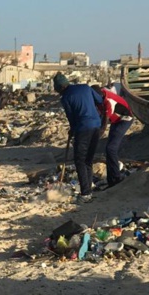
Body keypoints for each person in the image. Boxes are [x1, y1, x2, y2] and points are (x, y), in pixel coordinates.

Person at [53, 73, 103, 203]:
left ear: (59, 88)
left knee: (80, 160)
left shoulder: (65, 98)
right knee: (88, 160)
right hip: (96, 126)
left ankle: (85, 193)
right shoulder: (86, 88)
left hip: (83, 128)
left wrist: (73, 131)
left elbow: (72, 118)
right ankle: (89, 190)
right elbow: (100, 100)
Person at [92, 85, 133, 187]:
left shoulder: (108, 101)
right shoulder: (98, 99)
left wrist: (93, 139)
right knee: (109, 149)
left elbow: (103, 125)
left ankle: (116, 178)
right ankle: (112, 180)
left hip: (124, 119)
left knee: (111, 148)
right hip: (115, 120)